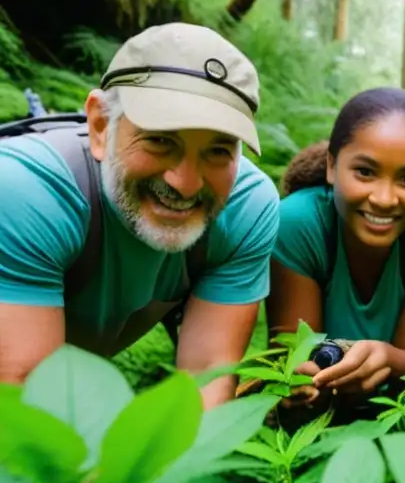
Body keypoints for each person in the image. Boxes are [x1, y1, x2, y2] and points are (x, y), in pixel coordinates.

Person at [0, 22, 280, 409]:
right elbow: (22, 407)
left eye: (218, 150)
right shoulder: (25, 190)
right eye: (161, 140)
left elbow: (207, 382)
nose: (185, 183)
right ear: (100, 126)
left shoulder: (246, 207)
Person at [266, 87, 405, 414]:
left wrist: (389, 359)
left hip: (399, 418)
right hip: (313, 428)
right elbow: (289, 352)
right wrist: (300, 381)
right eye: (365, 172)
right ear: (332, 167)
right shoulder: (296, 224)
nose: (384, 198)